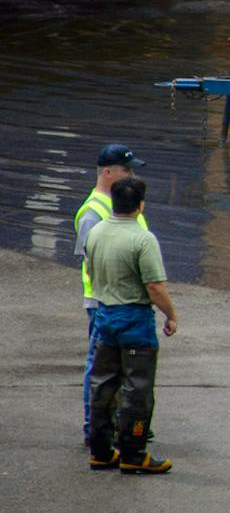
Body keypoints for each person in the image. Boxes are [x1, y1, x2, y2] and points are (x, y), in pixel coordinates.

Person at [83, 176, 177, 474]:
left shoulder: (96, 232)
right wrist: (171, 315)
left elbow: (89, 268)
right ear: (140, 205)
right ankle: (133, 454)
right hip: (134, 320)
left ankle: (100, 450)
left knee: (103, 385)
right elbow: (154, 286)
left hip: (104, 315)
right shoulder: (142, 239)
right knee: (137, 389)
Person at [74, 143, 146, 451]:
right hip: (103, 302)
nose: (130, 174)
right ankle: (95, 430)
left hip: (120, 299)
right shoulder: (93, 213)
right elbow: (90, 260)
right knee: (100, 369)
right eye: (125, 169)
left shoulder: (120, 203)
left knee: (116, 369)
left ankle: (113, 424)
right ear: (107, 172)